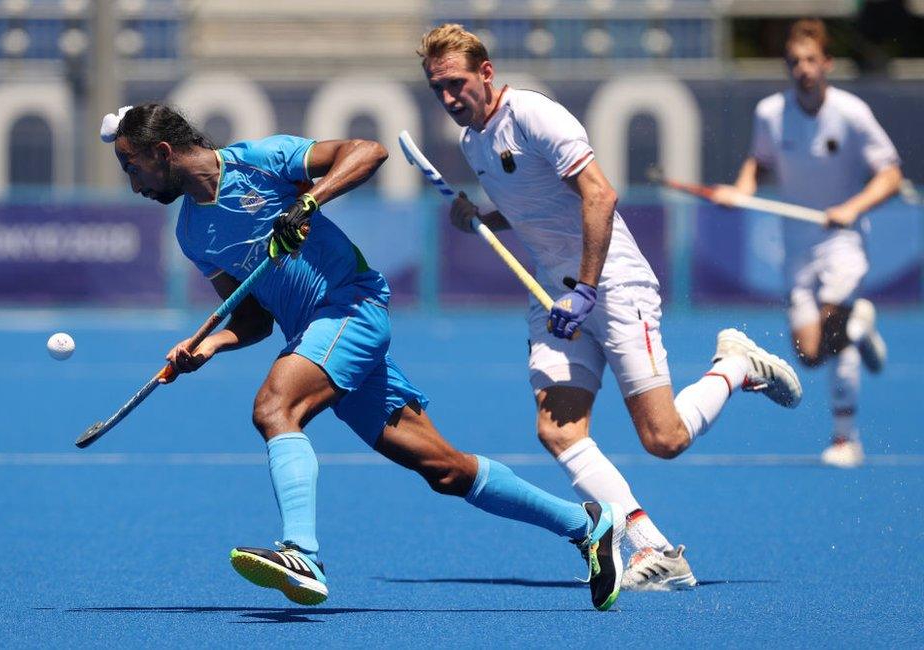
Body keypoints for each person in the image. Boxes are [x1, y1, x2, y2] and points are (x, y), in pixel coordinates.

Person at [102, 102, 629, 611]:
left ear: (164, 152)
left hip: (350, 308)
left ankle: (303, 555)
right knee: (445, 470)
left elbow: (368, 151)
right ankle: (586, 524)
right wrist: (208, 344)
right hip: (313, 336)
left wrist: (308, 202)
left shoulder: (259, 161)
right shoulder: (193, 233)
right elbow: (253, 318)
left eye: (132, 166)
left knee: (274, 409)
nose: (134, 185)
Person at [417, 24, 804, 591]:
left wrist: (589, 289)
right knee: (557, 430)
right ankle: (653, 547)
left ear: (486, 73)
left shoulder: (533, 116)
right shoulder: (473, 141)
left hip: (612, 286)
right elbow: (535, 204)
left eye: (456, 83)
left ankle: (735, 366)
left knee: (664, 439)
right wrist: (483, 216)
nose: (449, 98)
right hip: (552, 296)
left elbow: (599, 194)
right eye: (437, 89)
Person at [712, 18, 901, 468]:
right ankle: (862, 323)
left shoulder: (852, 114)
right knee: (810, 355)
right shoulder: (770, 114)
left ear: (827, 64)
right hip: (796, 247)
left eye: (811, 60)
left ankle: (844, 439)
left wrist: (852, 208)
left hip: (843, 242)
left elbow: (891, 174)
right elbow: (758, 162)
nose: (803, 69)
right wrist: (742, 189)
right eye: (794, 61)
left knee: (836, 325)